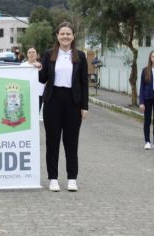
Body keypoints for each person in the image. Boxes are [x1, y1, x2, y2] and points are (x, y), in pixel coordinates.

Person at [39, 21, 88, 192]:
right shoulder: (48, 55)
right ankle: (53, 178)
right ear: (57, 36)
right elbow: (42, 78)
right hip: (52, 101)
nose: (65, 36)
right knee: (52, 142)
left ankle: (72, 178)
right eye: (62, 34)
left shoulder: (80, 56)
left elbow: (84, 83)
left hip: (73, 102)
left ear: (73, 36)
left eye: (68, 33)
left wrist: (84, 106)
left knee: (71, 142)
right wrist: (35, 67)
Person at [21, 47, 44, 111]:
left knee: (36, 113)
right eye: (29, 52)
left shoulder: (41, 65)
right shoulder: (22, 66)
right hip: (26, 92)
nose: (32, 54)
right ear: (27, 55)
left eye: (33, 52)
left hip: (38, 93)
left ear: (36, 54)